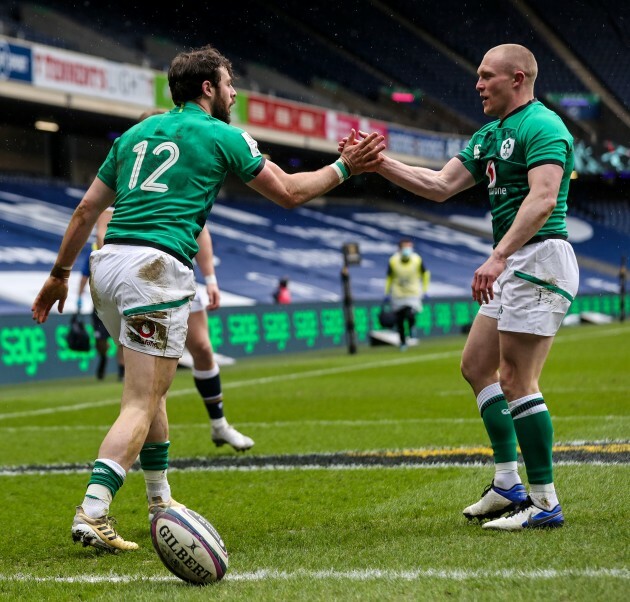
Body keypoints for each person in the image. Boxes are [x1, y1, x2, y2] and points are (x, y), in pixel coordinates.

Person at [31, 43, 384, 553]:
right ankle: (93, 510)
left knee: (151, 394)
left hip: (106, 265)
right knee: (139, 400)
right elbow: (289, 193)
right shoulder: (223, 135)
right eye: (229, 82)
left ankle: (160, 500)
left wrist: (59, 273)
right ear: (208, 88)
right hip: (155, 269)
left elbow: (86, 209)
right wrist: (345, 167)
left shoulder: (135, 133)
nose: (235, 91)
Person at [342, 44, 578, 530]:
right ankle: (508, 482)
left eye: (486, 76)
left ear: (517, 78)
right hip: (518, 260)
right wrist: (377, 164)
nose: (477, 85)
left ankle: (545, 502)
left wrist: (498, 255)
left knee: (516, 380)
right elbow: (438, 185)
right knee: (476, 366)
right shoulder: (490, 134)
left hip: (541, 257)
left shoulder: (544, 125)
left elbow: (544, 199)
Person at [97, 199, 254, 451]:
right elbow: (101, 228)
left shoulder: (178, 179)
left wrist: (211, 279)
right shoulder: (126, 177)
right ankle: (135, 439)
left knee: (202, 348)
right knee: (147, 370)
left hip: (176, 273)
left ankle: (219, 424)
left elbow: (200, 228)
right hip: (139, 279)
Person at [77, 238, 125, 381]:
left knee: (121, 339)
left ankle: (122, 371)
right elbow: (85, 275)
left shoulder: (120, 251)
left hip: (117, 302)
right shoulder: (94, 252)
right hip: (99, 304)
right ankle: (103, 357)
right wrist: (79, 296)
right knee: (100, 340)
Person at [384, 239, 430, 350]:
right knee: (399, 319)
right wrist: (386, 292)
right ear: (399, 249)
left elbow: (425, 274)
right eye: (405, 247)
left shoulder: (417, 259)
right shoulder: (393, 260)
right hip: (398, 293)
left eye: (409, 247)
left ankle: (411, 326)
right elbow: (389, 277)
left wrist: (425, 290)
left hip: (413, 292)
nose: (407, 250)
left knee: (410, 314)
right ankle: (403, 342)